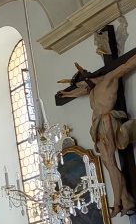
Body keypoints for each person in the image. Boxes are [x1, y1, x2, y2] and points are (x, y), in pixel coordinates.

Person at [58, 57, 136, 215]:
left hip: (107, 121)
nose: (81, 88)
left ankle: (117, 203)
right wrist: (67, 94)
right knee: (108, 164)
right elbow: (79, 91)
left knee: (111, 162)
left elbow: (126, 66)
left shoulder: (109, 79)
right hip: (97, 125)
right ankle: (126, 201)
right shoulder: (91, 90)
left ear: (87, 78)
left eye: (81, 85)